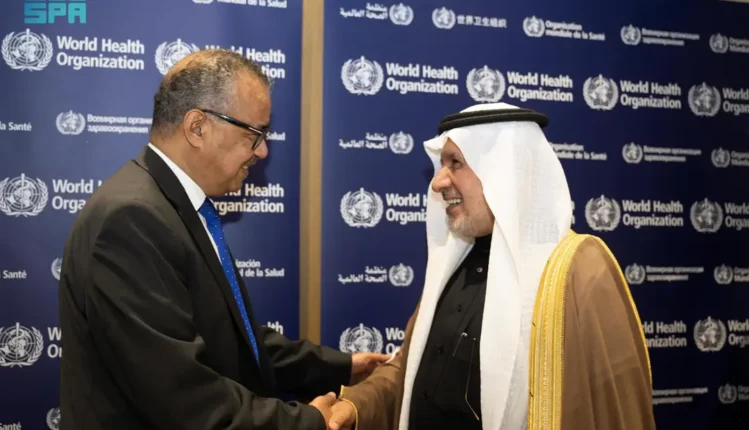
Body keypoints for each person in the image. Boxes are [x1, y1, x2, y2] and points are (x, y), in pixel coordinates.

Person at [58, 49, 389, 430]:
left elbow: (231, 340)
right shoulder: (133, 219)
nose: (262, 151)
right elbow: (183, 398)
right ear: (197, 127)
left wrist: (342, 368)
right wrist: (309, 421)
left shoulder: (173, 206)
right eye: (254, 134)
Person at [328, 102, 656, 430]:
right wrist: (357, 405)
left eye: (456, 163)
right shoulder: (456, 260)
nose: (438, 182)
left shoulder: (579, 269)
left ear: (504, 172)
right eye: (442, 164)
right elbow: (414, 367)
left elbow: (615, 406)